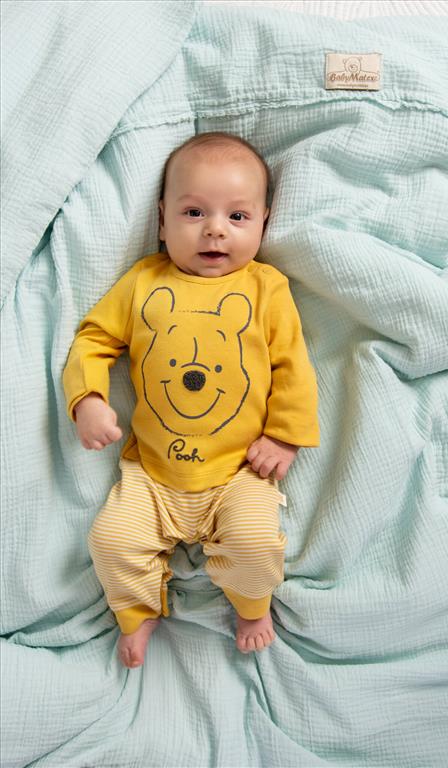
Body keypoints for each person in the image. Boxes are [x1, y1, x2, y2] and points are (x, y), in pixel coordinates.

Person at [63, 132, 319, 668]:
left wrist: (284, 436)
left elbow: (292, 364)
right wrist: (88, 398)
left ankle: (252, 606)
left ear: (264, 223)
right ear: (162, 220)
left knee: (254, 543)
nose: (215, 229)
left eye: (237, 216)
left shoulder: (265, 288)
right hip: (151, 475)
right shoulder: (143, 282)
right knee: (111, 541)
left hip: (239, 472)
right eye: (194, 212)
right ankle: (137, 611)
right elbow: (94, 338)